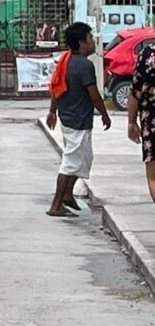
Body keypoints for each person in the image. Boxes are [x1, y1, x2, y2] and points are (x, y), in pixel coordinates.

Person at [46, 22, 111, 217]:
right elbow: (94, 94)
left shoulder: (65, 60)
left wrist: (52, 111)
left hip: (69, 118)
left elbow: (55, 87)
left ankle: (67, 195)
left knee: (83, 159)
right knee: (71, 163)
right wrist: (105, 114)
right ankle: (56, 204)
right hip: (77, 120)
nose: (93, 42)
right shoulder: (84, 65)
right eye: (90, 39)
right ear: (82, 42)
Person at [127, 43, 155, 204]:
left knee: (153, 176)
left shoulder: (148, 54)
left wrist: (131, 122)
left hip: (152, 122)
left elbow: (135, 91)